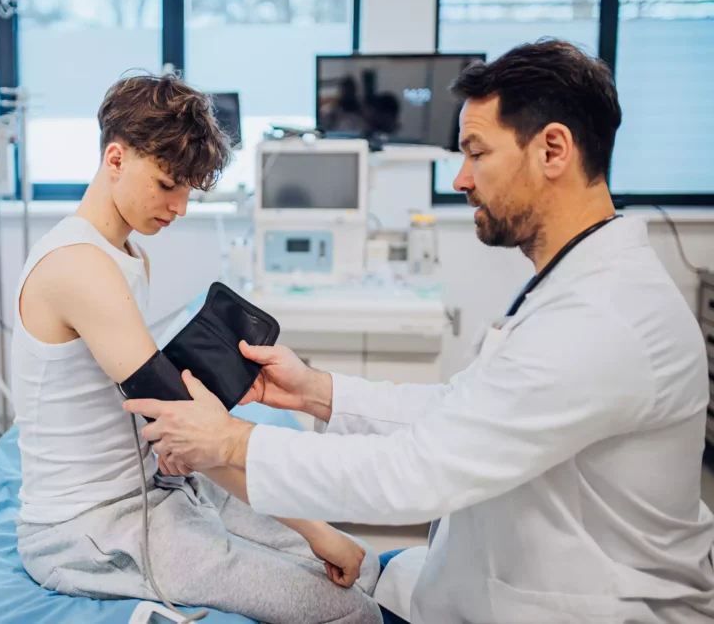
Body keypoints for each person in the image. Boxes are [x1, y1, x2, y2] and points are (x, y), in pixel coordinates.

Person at [126, 40, 714, 623]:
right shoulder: (574, 285)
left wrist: (230, 441)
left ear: (553, 149)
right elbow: (467, 410)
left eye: (476, 153)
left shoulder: (603, 321)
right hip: (473, 574)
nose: (460, 178)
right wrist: (314, 391)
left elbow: (419, 471)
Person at [11, 73, 384, 623]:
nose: (180, 206)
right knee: (349, 612)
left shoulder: (125, 251)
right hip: (89, 525)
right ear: (115, 159)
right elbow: (187, 429)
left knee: (368, 568)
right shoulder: (78, 267)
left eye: (188, 188)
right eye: (167, 184)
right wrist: (319, 533)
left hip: (158, 485)